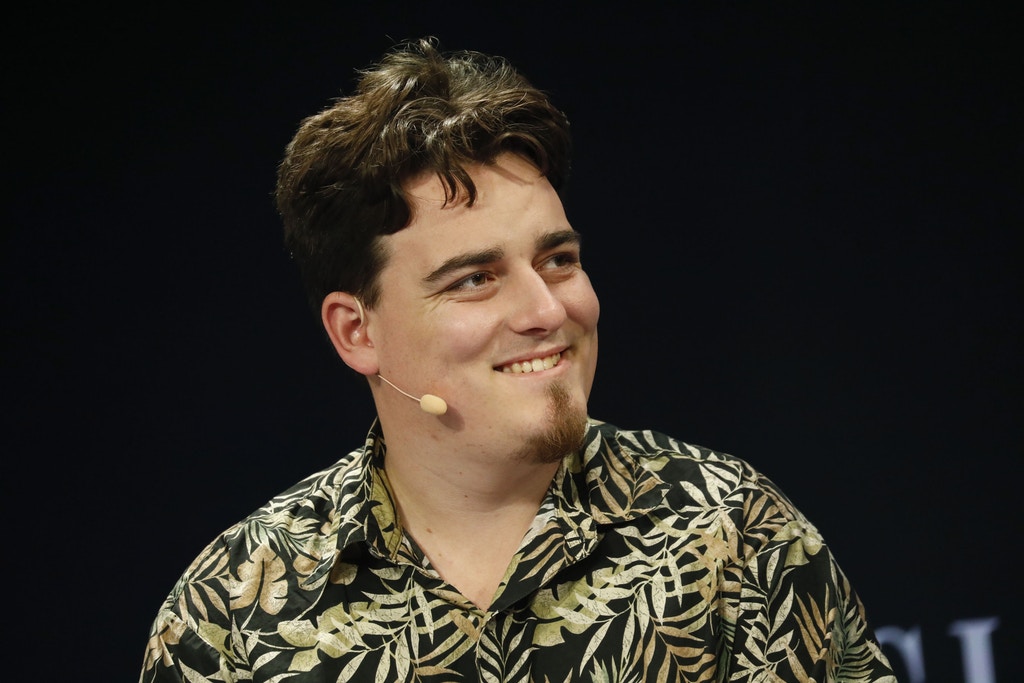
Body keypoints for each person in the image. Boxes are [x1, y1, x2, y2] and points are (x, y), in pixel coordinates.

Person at [139, 37, 896, 682]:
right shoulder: (233, 613)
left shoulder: (734, 533)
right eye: (475, 278)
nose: (546, 310)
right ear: (356, 332)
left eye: (558, 260)